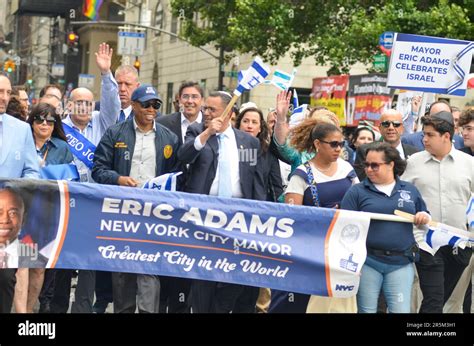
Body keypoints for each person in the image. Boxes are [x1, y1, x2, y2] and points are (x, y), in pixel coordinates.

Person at [92, 84, 180, 313]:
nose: (152, 109)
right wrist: (118, 179)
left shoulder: (168, 137)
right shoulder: (115, 132)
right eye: (146, 104)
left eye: (156, 105)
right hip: (122, 210)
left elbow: (176, 175)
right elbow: (98, 168)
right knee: (123, 268)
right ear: (133, 105)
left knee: (149, 267)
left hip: (154, 212)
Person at [178, 91, 266, 313]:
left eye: (212, 110)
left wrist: (259, 214)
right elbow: (184, 156)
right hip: (205, 216)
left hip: (238, 218)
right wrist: (208, 132)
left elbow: (252, 178)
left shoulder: (248, 142)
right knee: (204, 277)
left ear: (229, 113)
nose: (205, 113)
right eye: (205, 109)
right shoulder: (197, 131)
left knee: (233, 278)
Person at [269, 122, 359, 313]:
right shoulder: (301, 175)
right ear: (317, 144)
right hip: (311, 248)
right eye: (333, 144)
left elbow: (360, 203)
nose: (338, 149)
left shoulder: (347, 170)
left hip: (342, 247)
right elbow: (292, 217)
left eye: (341, 144)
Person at [341, 143, 430, 313]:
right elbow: (344, 229)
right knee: (366, 311)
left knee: (400, 311)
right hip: (368, 262)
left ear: (391, 164)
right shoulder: (356, 191)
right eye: (366, 164)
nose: (369, 169)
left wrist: (424, 218)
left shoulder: (410, 190)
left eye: (374, 165)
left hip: (401, 262)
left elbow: (425, 214)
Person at [402, 111, 474, 313]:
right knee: (433, 299)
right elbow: (403, 197)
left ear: (446, 136)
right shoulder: (413, 162)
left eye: (430, 135)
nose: (424, 139)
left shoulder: (469, 164)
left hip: (460, 244)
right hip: (426, 242)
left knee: (442, 298)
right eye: (423, 134)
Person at [156, 81, 203, 313]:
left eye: (195, 97)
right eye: (186, 97)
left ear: (201, 101)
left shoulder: (212, 127)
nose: (190, 101)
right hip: (168, 202)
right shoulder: (163, 123)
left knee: (190, 263)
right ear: (178, 100)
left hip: (198, 204)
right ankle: (163, 302)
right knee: (167, 259)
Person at [0, 73, 40, 313]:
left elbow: (32, 171)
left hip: (5, 221)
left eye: (7, 93)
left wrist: (17, 191)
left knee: (5, 279)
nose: (3, 98)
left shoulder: (21, 130)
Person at [354, 109, 419, 180]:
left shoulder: (415, 153)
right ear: (380, 129)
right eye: (386, 124)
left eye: (396, 124)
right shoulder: (365, 151)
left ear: (402, 129)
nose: (391, 128)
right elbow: (362, 180)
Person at [235, 105, 283, 202]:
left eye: (254, 122)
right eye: (245, 121)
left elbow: (276, 188)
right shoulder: (228, 147)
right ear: (238, 125)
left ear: (260, 128)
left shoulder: (268, 152)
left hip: (257, 207)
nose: (249, 126)